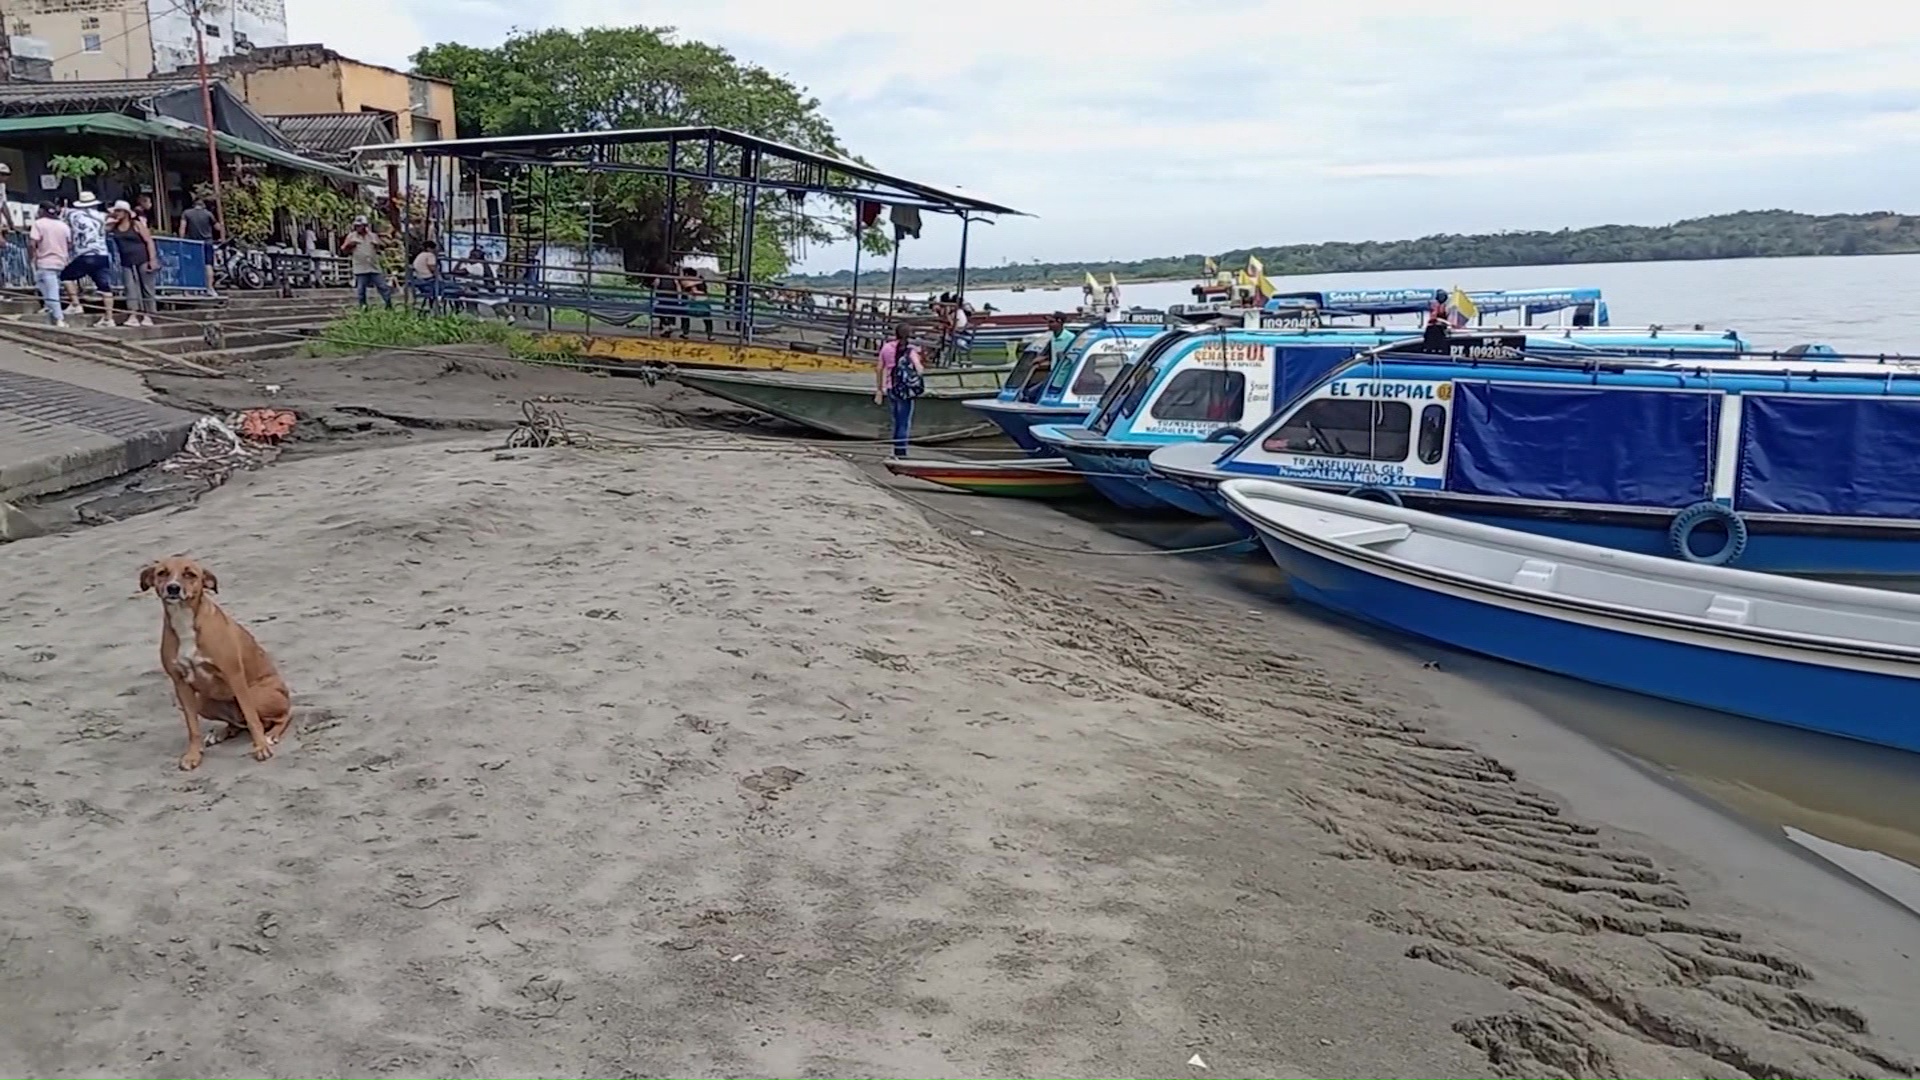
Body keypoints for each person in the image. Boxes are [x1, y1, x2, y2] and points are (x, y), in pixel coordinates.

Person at [60, 191, 115, 327]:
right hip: (102, 254)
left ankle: (75, 304)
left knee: (66, 276)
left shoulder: (72, 214)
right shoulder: (102, 216)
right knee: (105, 288)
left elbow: (61, 214)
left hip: (84, 254)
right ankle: (109, 318)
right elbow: (112, 221)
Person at [874, 323, 925, 458]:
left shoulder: (886, 347)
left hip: (891, 388)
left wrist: (879, 389)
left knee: (896, 421)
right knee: (904, 422)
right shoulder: (911, 351)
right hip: (906, 391)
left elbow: (879, 368)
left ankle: (896, 450)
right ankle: (901, 453)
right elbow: (919, 369)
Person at [107, 200, 160, 327]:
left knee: (146, 287)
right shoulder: (114, 227)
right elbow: (102, 229)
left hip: (142, 258)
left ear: (126, 213)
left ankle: (149, 314)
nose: (117, 213)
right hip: (126, 261)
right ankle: (133, 314)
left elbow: (149, 241)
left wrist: (152, 259)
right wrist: (110, 218)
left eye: (119, 211)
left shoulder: (136, 224)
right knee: (130, 287)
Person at [27, 203, 71, 327]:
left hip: (45, 261)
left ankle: (59, 318)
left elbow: (32, 243)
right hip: (61, 261)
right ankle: (48, 307)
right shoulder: (63, 225)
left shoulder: (39, 223)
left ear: (41, 210)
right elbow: (70, 243)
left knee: (51, 290)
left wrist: (32, 257)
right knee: (42, 284)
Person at [340, 216, 391, 308]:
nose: (358, 228)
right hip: (360, 267)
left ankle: (388, 304)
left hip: (373, 266)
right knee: (361, 290)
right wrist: (350, 245)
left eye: (360, 226)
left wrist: (377, 245)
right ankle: (363, 307)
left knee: (383, 286)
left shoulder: (372, 236)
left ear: (365, 226)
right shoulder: (352, 236)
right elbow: (343, 249)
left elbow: (381, 248)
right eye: (357, 226)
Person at [679, 266, 713, 339]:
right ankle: (710, 334)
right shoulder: (701, 281)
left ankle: (685, 332)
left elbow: (686, 286)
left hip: (694, 306)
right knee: (707, 317)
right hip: (703, 305)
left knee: (684, 312)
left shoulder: (688, 282)